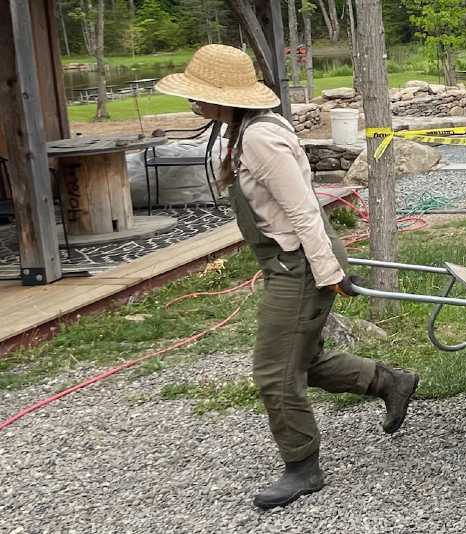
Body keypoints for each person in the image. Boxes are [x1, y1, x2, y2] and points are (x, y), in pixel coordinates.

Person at [155, 44, 420, 509]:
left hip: (300, 265)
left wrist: (329, 272)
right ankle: (389, 381)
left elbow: (304, 213)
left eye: (200, 94)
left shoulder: (260, 139)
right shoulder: (242, 132)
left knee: (274, 373)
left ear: (229, 98)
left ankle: (303, 467)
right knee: (304, 361)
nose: (192, 102)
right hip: (288, 263)